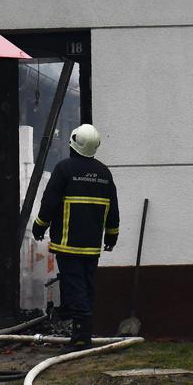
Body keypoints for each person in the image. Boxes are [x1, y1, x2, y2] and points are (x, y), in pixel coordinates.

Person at [31, 123, 120, 348]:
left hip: (68, 246)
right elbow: (113, 210)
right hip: (91, 247)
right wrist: (111, 237)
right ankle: (85, 334)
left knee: (75, 288)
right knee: (87, 287)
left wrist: (39, 227)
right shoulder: (104, 173)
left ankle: (80, 338)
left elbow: (49, 203)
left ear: (73, 143)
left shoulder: (64, 169)